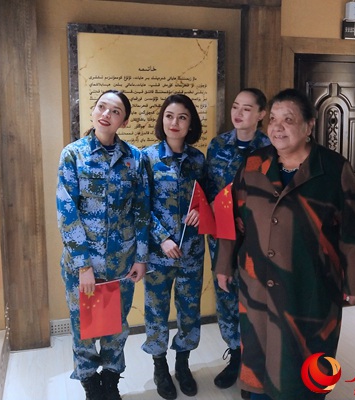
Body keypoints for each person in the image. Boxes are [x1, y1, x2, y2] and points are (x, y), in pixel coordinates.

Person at [214, 88, 355, 399]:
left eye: (288, 120)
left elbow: (353, 229)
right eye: (273, 119)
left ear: (309, 125)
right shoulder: (254, 163)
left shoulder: (333, 169)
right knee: (259, 355)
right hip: (257, 283)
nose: (277, 127)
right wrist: (224, 265)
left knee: (308, 360)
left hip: (310, 285)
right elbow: (232, 218)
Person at [56, 89, 150, 400]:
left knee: (115, 328)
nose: (106, 114)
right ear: (94, 111)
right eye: (101, 107)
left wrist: (141, 257)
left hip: (121, 262)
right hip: (83, 266)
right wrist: (83, 265)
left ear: (124, 121)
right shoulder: (74, 154)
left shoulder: (134, 158)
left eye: (115, 111)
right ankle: (90, 385)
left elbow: (141, 209)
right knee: (84, 329)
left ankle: (111, 381)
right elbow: (67, 211)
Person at [204, 88, 270, 396]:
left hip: (257, 238)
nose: (238, 113)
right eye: (235, 107)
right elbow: (208, 187)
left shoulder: (269, 147)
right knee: (226, 295)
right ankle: (236, 356)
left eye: (246, 108)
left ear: (261, 114)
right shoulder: (217, 145)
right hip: (222, 235)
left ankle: (256, 362)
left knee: (255, 298)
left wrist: (248, 217)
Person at [141, 94, 206, 399]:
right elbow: (141, 205)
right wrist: (162, 238)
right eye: (169, 116)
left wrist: (201, 210)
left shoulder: (198, 159)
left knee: (189, 310)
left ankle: (183, 364)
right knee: (156, 311)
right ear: (162, 120)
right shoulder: (147, 158)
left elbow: (206, 197)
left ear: (190, 123)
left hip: (191, 251)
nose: (175, 122)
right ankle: (159, 366)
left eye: (182, 117)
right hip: (159, 254)